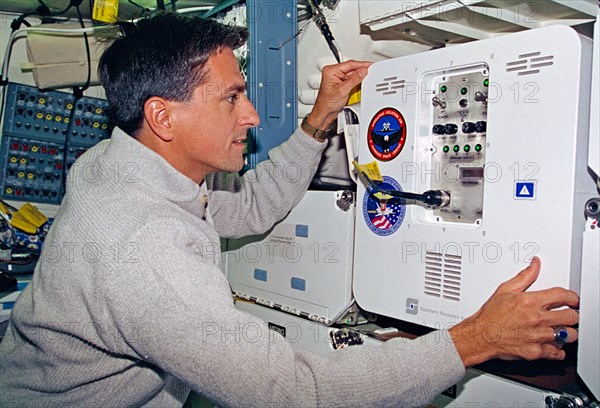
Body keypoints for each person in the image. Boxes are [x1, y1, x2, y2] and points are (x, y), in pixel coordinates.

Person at [0, 12, 579, 408]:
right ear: (163, 116)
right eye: (231, 97)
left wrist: (317, 121)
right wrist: (476, 339)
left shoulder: (119, 163)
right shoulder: (141, 248)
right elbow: (290, 392)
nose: (251, 116)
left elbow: (248, 207)